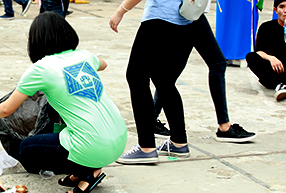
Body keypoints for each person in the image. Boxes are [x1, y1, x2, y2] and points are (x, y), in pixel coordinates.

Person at [0, 12, 127, 193]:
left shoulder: (41, 69)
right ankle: (81, 169)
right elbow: (104, 65)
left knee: (26, 149)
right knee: (55, 108)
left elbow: (7, 109)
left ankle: (88, 174)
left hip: (93, 146)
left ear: (36, 41)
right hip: (119, 139)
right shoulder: (84, 56)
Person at [110, 0, 193, 164]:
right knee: (163, 79)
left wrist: (120, 10)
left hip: (159, 18)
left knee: (136, 76)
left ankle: (146, 148)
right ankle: (178, 142)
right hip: (185, 20)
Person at [152, 14, 256, 143]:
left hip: (184, 13)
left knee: (172, 70)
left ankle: (151, 120)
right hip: (192, 13)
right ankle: (224, 126)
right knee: (217, 64)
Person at [246, 0, 286, 101]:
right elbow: (259, 52)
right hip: (274, 71)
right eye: (282, 7)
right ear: (275, 10)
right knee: (251, 57)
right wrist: (271, 58)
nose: (285, 11)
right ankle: (280, 85)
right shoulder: (266, 27)